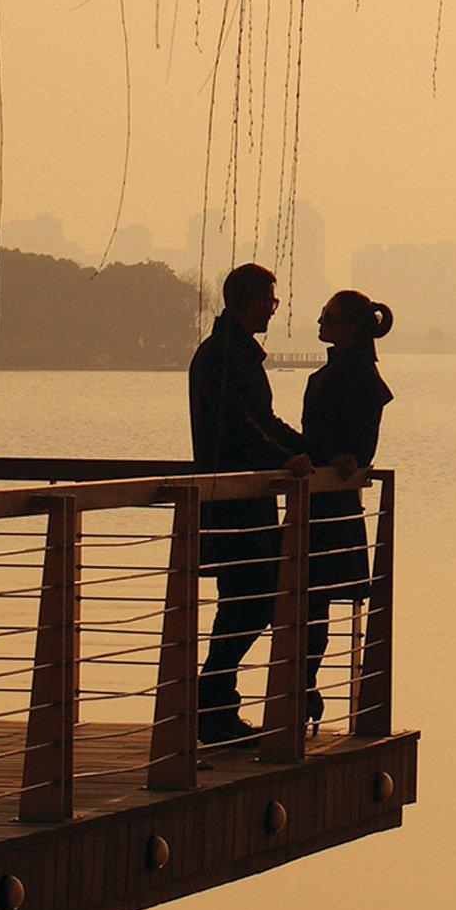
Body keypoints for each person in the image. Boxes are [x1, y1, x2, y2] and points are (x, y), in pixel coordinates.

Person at [186, 262, 305, 745]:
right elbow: (241, 426)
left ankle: (214, 703)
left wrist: (304, 449)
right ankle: (211, 704)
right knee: (247, 601)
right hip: (233, 497)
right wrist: (286, 456)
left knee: (245, 601)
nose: (273, 311)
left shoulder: (232, 354)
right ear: (248, 301)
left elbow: (263, 420)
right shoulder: (222, 356)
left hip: (247, 496)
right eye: (270, 302)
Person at [297, 291, 394, 720]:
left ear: (349, 328)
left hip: (332, 505)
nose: (321, 323)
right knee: (307, 601)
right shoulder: (330, 375)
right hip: (317, 501)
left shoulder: (359, 380)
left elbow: (361, 447)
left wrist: (342, 456)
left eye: (328, 317)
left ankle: (303, 684)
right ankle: (302, 685)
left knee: (315, 599)